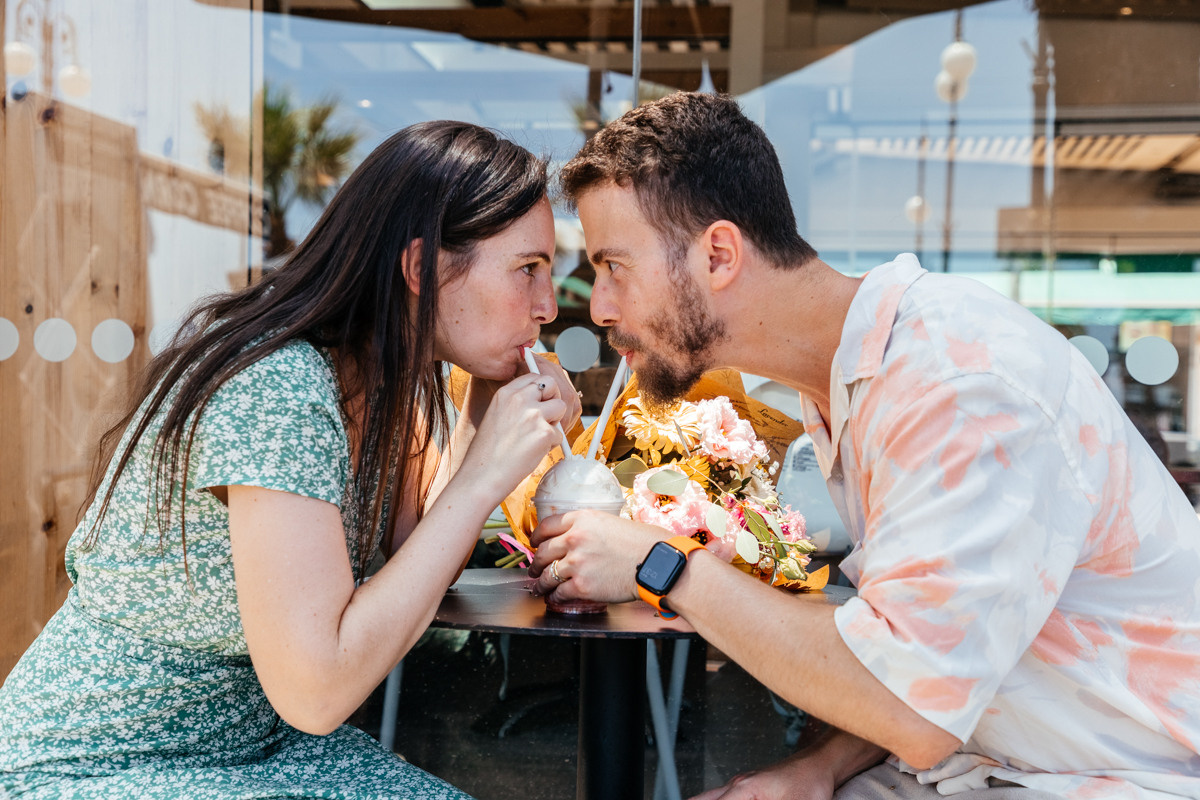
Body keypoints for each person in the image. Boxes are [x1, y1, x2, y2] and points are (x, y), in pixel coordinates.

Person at [528, 92, 1200, 799]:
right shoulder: (858, 379)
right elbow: (917, 643)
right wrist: (810, 773)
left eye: (613, 268)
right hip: (986, 763)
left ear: (719, 255)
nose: (598, 306)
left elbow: (910, 705)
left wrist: (660, 563)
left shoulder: (957, 381)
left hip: (1135, 777)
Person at [0, 121, 579, 799]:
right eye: (528, 270)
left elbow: (412, 565)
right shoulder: (280, 388)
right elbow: (318, 691)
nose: (548, 306)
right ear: (421, 268)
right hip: (105, 761)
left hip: (256, 748)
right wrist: (484, 477)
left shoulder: (380, 379)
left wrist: (484, 416)